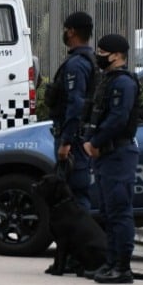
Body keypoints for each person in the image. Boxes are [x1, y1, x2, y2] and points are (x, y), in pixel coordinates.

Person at [82, 33, 140, 284]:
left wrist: (95, 142)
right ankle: (111, 262)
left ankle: (122, 267)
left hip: (118, 154)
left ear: (117, 56)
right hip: (106, 155)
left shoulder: (124, 83)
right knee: (108, 212)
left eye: (103, 53)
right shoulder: (108, 80)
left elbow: (118, 118)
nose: (98, 56)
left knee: (119, 212)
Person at [46, 11, 96, 210]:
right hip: (79, 135)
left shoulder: (76, 64)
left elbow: (76, 104)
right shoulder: (89, 60)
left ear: (72, 31)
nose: (64, 33)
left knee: (73, 194)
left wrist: (66, 141)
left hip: (73, 140)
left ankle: (78, 231)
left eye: (65, 29)